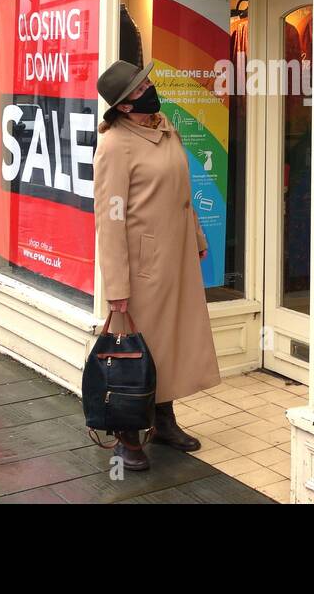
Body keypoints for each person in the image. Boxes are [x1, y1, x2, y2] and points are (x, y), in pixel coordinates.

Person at [93, 59, 221, 470]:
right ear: (125, 107)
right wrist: (116, 287)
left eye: (146, 80)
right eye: (140, 86)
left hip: (176, 257)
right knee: (137, 349)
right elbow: (109, 219)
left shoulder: (163, 126)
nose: (150, 86)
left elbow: (184, 192)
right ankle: (126, 436)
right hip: (142, 267)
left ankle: (164, 421)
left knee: (168, 344)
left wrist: (198, 238)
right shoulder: (115, 145)